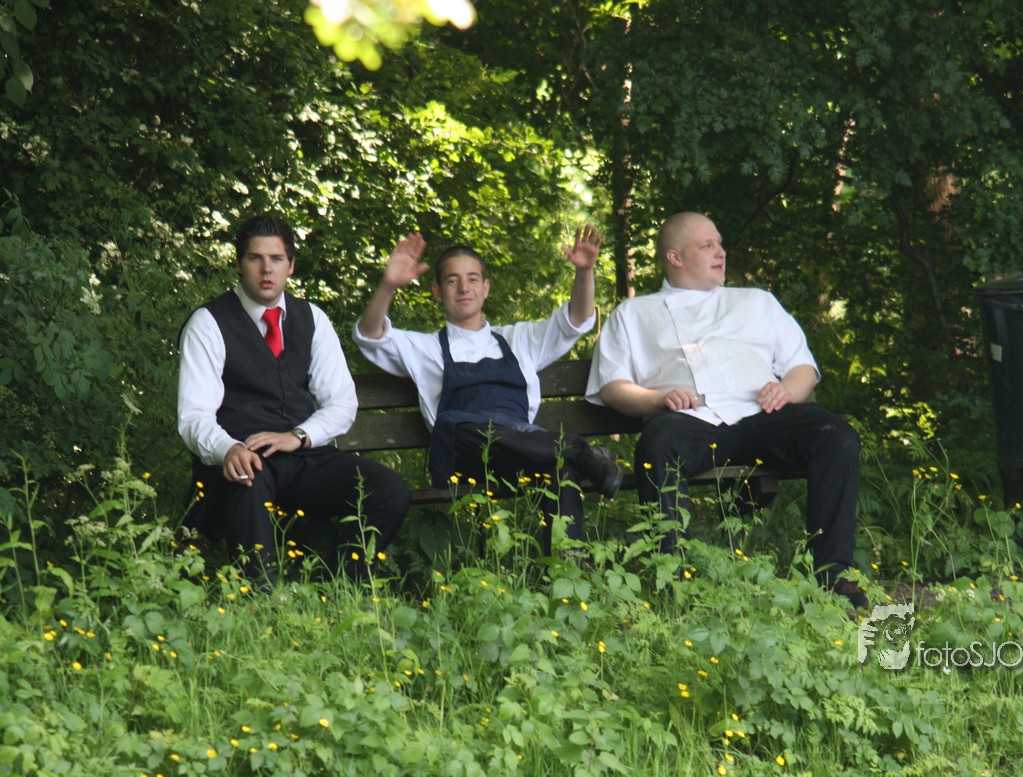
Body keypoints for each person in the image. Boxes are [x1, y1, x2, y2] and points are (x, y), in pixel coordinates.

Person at [585, 212, 867, 608]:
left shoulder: (757, 302)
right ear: (675, 258)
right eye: (707, 246)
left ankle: (833, 577)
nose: (721, 253)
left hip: (762, 416)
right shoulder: (634, 314)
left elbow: (803, 368)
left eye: (719, 243)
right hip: (689, 420)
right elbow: (613, 387)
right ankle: (676, 580)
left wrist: (787, 389)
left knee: (835, 436)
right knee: (656, 446)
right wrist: (657, 399)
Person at [353, 226, 623, 556]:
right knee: (453, 423)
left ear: (486, 288)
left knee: (560, 468)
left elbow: (576, 319)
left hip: (521, 454)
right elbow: (370, 335)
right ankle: (578, 450)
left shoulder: (519, 339)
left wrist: (584, 271)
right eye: (452, 281)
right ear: (437, 291)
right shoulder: (424, 347)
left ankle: (570, 564)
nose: (464, 287)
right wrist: (388, 286)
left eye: (472, 279)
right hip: (464, 458)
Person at [178, 213, 410, 585]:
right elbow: (194, 416)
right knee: (247, 478)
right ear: (239, 264)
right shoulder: (208, 323)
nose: (266, 269)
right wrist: (229, 449)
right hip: (245, 457)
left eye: (276, 259)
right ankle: (259, 597)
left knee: (390, 491)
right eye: (255, 258)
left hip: (305, 456)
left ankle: (340, 588)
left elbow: (341, 402)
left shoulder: (312, 318)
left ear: (291, 265)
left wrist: (298, 436)